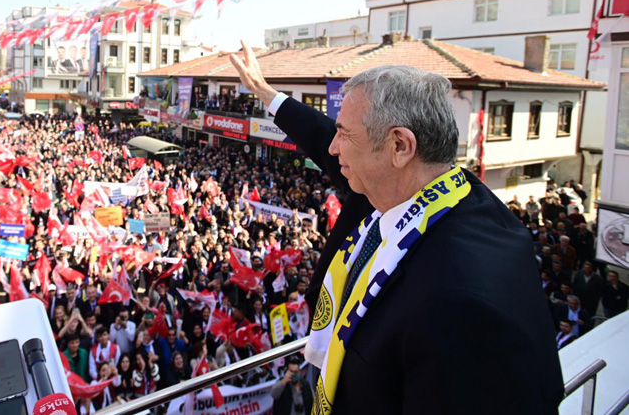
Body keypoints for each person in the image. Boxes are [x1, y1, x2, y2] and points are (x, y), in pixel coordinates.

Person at [230, 42, 563, 414]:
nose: (334, 147)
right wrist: (266, 93)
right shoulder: (411, 187)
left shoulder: (459, 299)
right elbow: (323, 136)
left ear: (400, 146)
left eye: (345, 134)